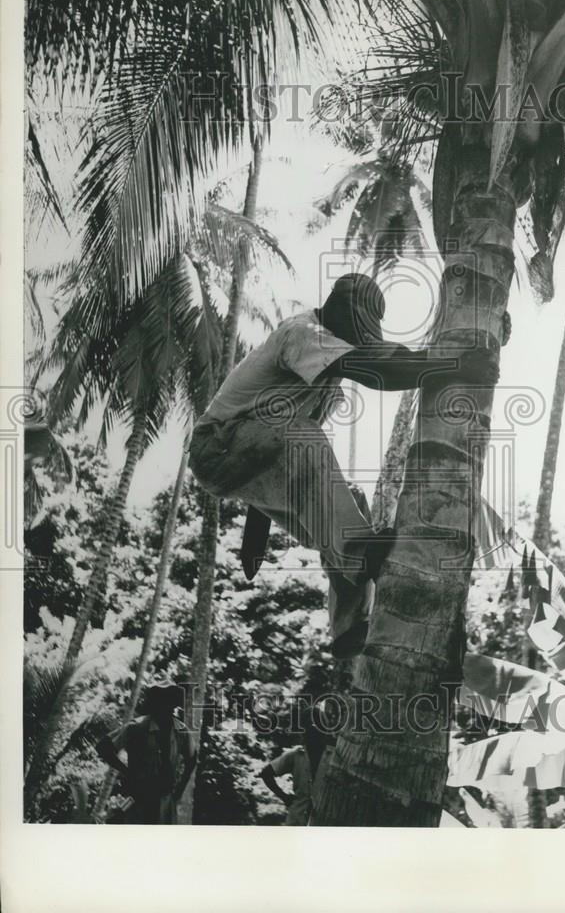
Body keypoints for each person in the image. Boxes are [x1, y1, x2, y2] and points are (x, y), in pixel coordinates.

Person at [189, 272, 502, 658]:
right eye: (356, 333)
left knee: (350, 503)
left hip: (249, 458)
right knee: (316, 463)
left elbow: (278, 456)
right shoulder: (302, 334)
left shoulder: (323, 384)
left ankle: (349, 626)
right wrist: (454, 364)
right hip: (216, 446)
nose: (355, 342)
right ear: (337, 313)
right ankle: (362, 553)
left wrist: (256, 535)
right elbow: (376, 373)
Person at [96, 683, 197, 824]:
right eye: (162, 702)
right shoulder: (137, 727)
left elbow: (192, 757)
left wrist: (179, 790)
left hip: (165, 800)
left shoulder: (180, 730)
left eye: (170, 703)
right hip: (137, 798)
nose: (168, 708)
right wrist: (127, 771)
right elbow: (103, 747)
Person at [260, 706, 334, 825]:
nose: (314, 729)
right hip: (297, 819)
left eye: (318, 724)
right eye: (309, 725)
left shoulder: (334, 757)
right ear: (304, 730)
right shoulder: (295, 755)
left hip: (326, 820)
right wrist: (284, 797)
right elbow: (266, 773)